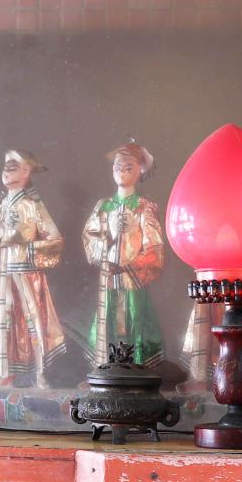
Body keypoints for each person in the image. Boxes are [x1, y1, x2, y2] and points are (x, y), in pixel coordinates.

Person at [0, 149, 67, 388]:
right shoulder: (0, 205)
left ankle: (40, 373)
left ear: (26, 172)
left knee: (33, 318)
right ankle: (2, 372)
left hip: (26, 270)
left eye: (13, 168)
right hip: (5, 269)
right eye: (5, 168)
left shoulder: (32, 204)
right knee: (3, 320)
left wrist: (27, 247)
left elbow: (54, 239)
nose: (6, 172)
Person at [82, 140, 166, 366]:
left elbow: (154, 248)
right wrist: (108, 239)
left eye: (129, 167)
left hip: (132, 279)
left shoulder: (144, 207)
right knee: (107, 319)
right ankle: (108, 365)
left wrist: (131, 264)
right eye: (118, 167)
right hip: (108, 278)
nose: (122, 172)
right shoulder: (103, 206)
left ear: (139, 171)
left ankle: (135, 365)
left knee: (133, 319)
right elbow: (90, 238)